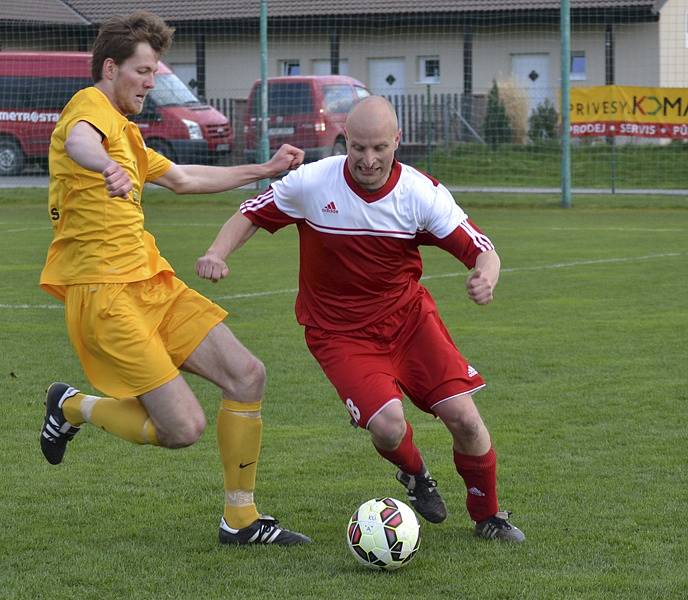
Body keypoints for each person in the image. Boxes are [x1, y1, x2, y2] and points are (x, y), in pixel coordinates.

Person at [195, 95, 525, 542]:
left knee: (465, 419)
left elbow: (481, 249)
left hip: (409, 323)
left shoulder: (420, 193)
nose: (368, 160)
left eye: (379, 149)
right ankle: (415, 475)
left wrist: (486, 277)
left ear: (397, 142)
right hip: (339, 334)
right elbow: (250, 213)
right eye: (358, 148)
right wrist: (217, 252)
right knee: (388, 427)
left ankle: (488, 516)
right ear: (345, 139)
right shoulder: (313, 183)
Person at [38, 11, 310, 546]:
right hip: (105, 294)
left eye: (155, 71)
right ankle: (72, 406)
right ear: (111, 67)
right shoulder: (88, 110)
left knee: (247, 375)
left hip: (152, 282)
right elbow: (79, 143)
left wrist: (264, 168)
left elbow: (185, 179)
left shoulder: (130, 135)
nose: (150, 81)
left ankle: (241, 520)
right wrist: (104, 167)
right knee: (182, 430)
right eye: (142, 70)